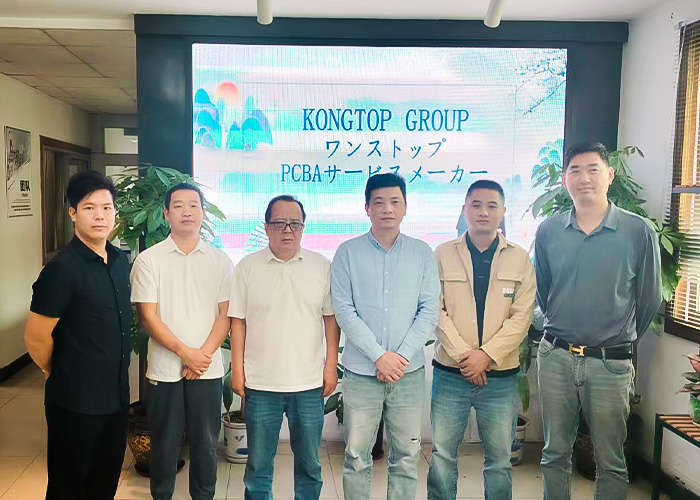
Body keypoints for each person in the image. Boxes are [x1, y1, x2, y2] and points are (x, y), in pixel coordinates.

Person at [534, 142, 662, 500]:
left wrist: (617, 336)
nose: (584, 178)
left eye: (593, 169)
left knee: (610, 460)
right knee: (554, 454)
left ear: (610, 175)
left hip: (610, 363)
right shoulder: (548, 231)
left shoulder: (638, 231)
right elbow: (544, 292)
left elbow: (649, 299)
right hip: (556, 357)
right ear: (565, 180)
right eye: (575, 171)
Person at [331, 172, 440, 500]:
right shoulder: (347, 252)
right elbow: (344, 311)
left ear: (405, 207)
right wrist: (379, 356)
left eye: (395, 201)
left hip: (408, 374)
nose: (387, 209)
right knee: (356, 456)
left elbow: (429, 310)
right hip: (361, 373)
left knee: (406, 456)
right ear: (367, 208)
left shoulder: (422, 253)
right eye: (378, 202)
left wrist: (399, 357)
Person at [25, 170, 131, 500]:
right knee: (68, 488)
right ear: (73, 213)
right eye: (89, 208)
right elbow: (36, 338)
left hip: (115, 400)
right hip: (75, 403)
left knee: (104, 485)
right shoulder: (61, 269)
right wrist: (55, 369)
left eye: (106, 207)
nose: (100, 216)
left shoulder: (119, 260)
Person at [428, 180, 536, 500]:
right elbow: (434, 310)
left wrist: (485, 356)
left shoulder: (519, 258)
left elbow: (522, 317)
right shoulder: (442, 254)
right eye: (476, 205)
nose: (483, 212)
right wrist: (467, 356)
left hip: (500, 378)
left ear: (503, 212)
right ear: (464, 209)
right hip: (451, 374)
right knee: (443, 455)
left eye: (492, 206)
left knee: (499, 460)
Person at [228, 194, 339, 500]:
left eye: (295, 224)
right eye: (279, 223)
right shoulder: (247, 268)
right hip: (261, 385)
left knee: (309, 465)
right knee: (258, 467)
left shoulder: (321, 266)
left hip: (308, 384)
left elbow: (330, 320)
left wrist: (330, 366)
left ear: (303, 227)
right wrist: (237, 370)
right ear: (266, 227)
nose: (287, 230)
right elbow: (238, 322)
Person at [130, 183, 233, 500]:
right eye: (178, 205)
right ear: (166, 213)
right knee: (163, 445)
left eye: (193, 205)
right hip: (165, 370)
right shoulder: (149, 260)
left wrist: (200, 356)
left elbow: (225, 316)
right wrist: (185, 353)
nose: (186, 211)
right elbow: (148, 317)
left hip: (206, 370)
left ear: (203, 213)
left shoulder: (220, 260)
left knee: (205, 444)